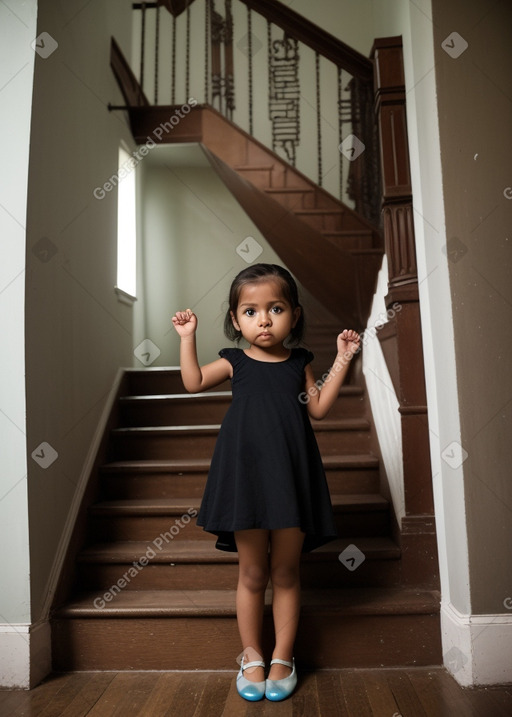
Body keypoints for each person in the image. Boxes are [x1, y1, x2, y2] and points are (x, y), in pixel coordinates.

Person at [172, 263, 360, 701]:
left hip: (290, 479)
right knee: (253, 572)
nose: (264, 319)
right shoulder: (234, 362)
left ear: (293, 315)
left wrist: (344, 360)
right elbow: (193, 382)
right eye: (251, 311)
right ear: (236, 321)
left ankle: (283, 655)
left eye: (275, 309)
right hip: (245, 478)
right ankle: (252, 654)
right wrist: (187, 339)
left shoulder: (299, 362)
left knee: (286, 571)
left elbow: (318, 409)